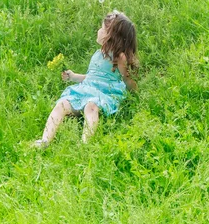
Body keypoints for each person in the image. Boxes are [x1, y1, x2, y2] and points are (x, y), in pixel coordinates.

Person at [34, 10, 138, 148]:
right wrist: (73, 76)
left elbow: (126, 78)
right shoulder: (97, 53)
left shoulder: (119, 57)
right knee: (62, 104)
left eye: (102, 29)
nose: (98, 30)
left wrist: (135, 92)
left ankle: (85, 145)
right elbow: (91, 78)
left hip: (104, 93)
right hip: (86, 90)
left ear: (111, 36)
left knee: (91, 106)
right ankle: (45, 140)